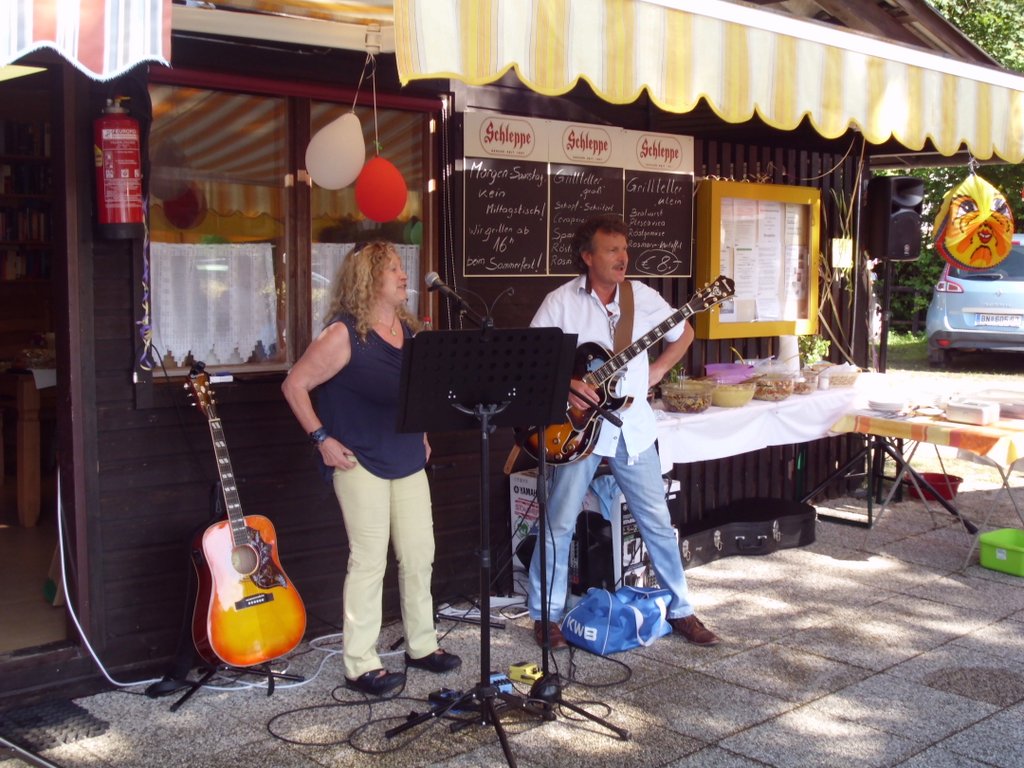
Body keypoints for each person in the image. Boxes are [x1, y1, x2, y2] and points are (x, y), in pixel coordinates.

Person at [528, 214, 719, 649]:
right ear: (587, 256)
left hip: (631, 427)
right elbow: (535, 360)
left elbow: (684, 332)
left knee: (657, 521)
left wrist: (656, 371)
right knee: (559, 522)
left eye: (625, 249)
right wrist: (567, 386)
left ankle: (681, 609)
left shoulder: (643, 297)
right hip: (578, 430)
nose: (623, 257)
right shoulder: (560, 302)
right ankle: (545, 615)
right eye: (612, 250)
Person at [281, 240, 461, 696]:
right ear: (368, 279)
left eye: (402, 268)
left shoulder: (409, 333)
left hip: (407, 457)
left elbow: (416, 392)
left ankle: (422, 645)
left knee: (419, 555)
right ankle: (360, 664)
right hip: (359, 460)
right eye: (394, 269)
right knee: (368, 561)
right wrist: (321, 439)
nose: (404, 276)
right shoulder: (343, 334)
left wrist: (422, 432)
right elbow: (294, 384)